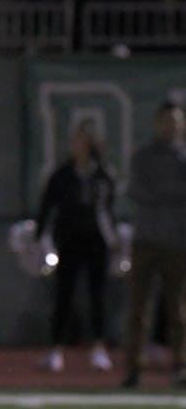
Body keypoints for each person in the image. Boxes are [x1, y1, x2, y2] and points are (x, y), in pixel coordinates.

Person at [36, 119, 119, 372]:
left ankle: (98, 348)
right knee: (64, 295)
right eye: (74, 141)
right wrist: (41, 235)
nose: (77, 146)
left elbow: (108, 209)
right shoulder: (61, 175)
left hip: (96, 241)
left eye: (82, 141)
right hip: (69, 240)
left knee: (97, 296)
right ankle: (56, 349)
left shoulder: (103, 175)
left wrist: (114, 238)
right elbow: (47, 206)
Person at [121, 101, 186, 387]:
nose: (171, 127)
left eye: (175, 121)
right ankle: (133, 367)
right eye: (166, 121)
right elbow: (137, 189)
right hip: (146, 239)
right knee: (138, 309)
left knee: (178, 309)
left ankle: (181, 364)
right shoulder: (143, 157)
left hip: (177, 242)